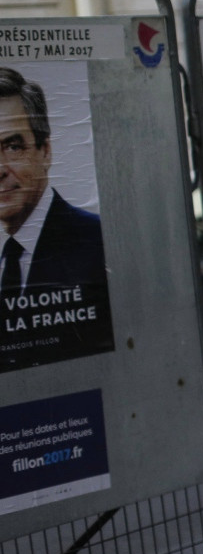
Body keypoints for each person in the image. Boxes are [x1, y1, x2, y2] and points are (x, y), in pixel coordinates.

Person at [0, 66, 113, 369]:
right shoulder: (7, 257)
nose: (0, 169)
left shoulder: (96, 244)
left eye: (13, 147)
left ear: (46, 151)